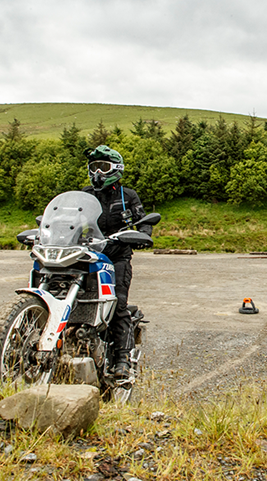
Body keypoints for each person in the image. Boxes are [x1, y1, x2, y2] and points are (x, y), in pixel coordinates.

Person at [82, 145, 152, 377]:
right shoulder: (85, 194)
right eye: (94, 167)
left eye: (103, 167)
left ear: (116, 169)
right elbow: (68, 217)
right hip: (88, 254)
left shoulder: (128, 195)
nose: (97, 173)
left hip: (117, 256)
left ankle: (123, 359)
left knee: (117, 303)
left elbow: (143, 220)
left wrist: (143, 235)